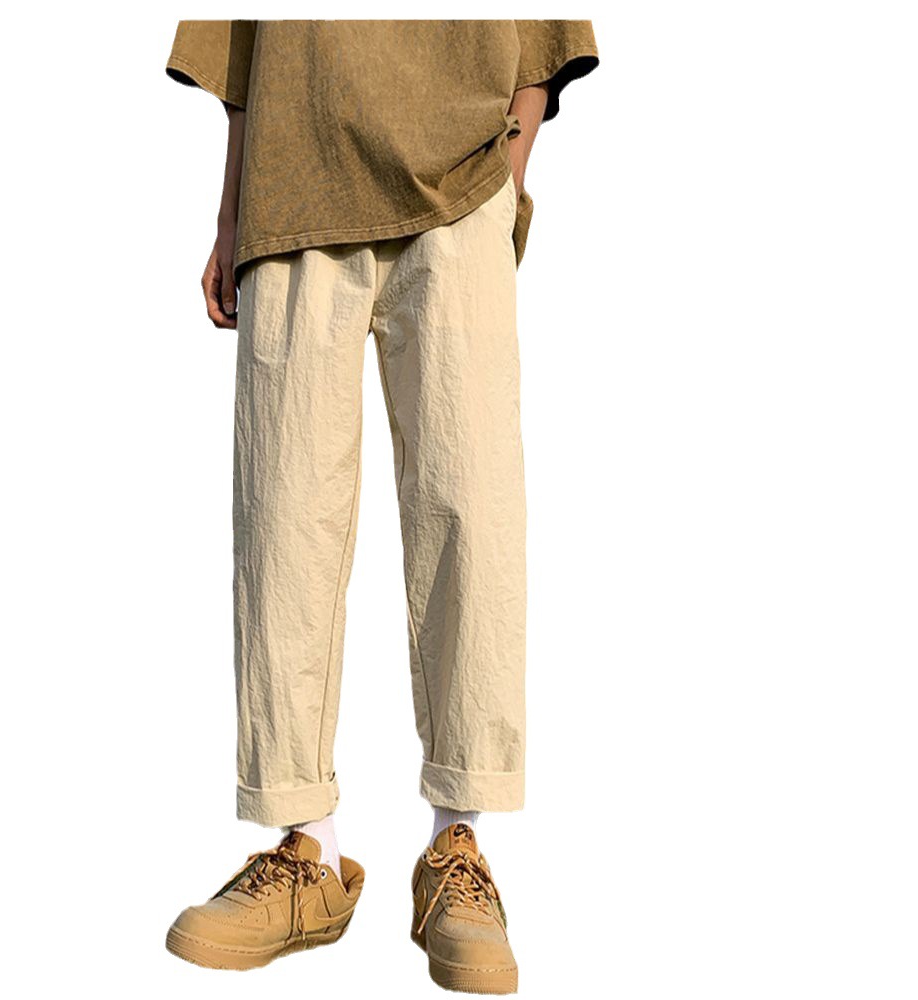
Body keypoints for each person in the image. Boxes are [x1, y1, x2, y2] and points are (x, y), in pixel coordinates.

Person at [163, 19, 598, 994]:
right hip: (291, 181)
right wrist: (231, 212)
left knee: (470, 513)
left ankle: (458, 846)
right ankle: (304, 850)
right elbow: (245, 39)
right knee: (282, 522)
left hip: (463, 185)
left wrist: (508, 180)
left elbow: (542, 30)